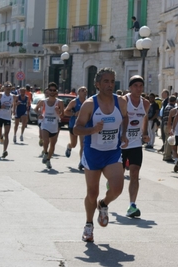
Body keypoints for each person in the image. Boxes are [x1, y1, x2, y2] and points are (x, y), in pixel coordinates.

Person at [73, 67, 129, 242]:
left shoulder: (120, 102)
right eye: (106, 81)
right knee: (92, 193)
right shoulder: (89, 104)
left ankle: (103, 204)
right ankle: (89, 225)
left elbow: (125, 117)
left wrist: (124, 134)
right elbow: (76, 129)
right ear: (97, 84)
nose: (110, 84)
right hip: (93, 153)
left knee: (118, 188)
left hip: (113, 152)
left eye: (112, 81)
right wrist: (93, 129)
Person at [122, 75, 150, 217]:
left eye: (141, 86)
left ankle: (132, 205)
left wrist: (145, 133)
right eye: (135, 86)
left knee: (134, 174)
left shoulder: (145, 103)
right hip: (121, 144)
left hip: (135, 143)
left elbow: (144, 120)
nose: (138, 89)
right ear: (130, 87)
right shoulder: (123, 101)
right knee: (117, 178)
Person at [35, 82, 65, 169]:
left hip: (55, 125)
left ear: (56, 91)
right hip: (45, 124)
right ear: (48, 91)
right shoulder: (43, 102)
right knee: (46, 141)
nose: (52, 92)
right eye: (50, 90)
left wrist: (58, 112)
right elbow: (36, 109)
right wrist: (39, 114)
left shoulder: (60, 102)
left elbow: (62, 115)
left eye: (54, 90)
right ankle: (45, 152)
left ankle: (48, 160)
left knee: (52, 145)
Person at [64, 86, 88, 170]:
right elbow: (66, 112)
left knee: (83, 144)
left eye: (85, 90)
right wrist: (74, 114)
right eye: (82, 90)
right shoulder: (74, 102)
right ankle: (69, 147)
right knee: (74, 144)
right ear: (78, 93)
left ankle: (81, 162)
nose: (84, 92)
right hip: (73, 125)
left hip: (83, 126)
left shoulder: (88, 102)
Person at [0, 82, 16, 158]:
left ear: (11, 88)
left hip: (7, 117)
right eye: (6, 86)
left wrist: (14, 111)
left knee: (7, 134)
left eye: (9, 87)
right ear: (4, 88)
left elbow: (14, 105)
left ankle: (4, 151)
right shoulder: (0, 95)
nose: (8, 88)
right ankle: (0, 137)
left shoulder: (13, 96)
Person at [161, 95, 176, 162]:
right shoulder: (172, 108)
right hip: (169, 125)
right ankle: (167, 156)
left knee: (167, 140)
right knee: (169, 141)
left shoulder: (167, 107)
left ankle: (165, 154)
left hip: (165, 125)